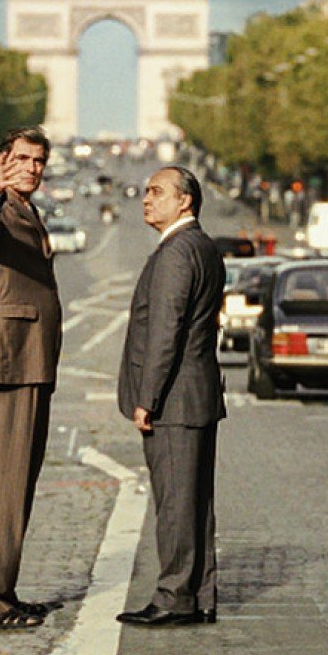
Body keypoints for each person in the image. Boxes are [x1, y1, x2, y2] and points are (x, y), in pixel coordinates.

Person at [0, 126, 63, 630]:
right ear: (1, 162)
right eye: (21, 158)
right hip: (9, 361)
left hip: (29, 361)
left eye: (38, 160)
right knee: (2, 487)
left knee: (15, 486)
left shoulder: (28, 209)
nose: (32, 167)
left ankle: (4, 590)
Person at [116, 166, 225, 628]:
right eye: (146, 192)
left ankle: (174, 596)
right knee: (195, 504)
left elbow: (166, 332)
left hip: (175, 400)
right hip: (196, 394)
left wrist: (148, 398)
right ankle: (199, 594)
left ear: (185, 201)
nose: (146, 199)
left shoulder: (176, 253)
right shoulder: (203, 246)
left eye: (157, 192)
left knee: (176, 505)